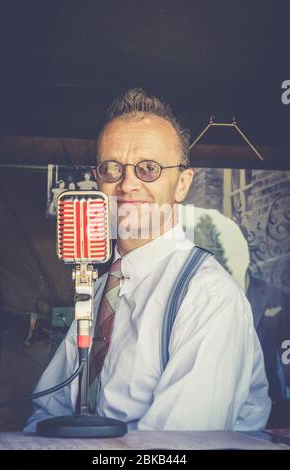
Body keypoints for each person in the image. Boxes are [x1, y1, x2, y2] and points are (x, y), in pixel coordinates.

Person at [25, 88, 271, 432]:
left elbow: (177, 447)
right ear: (98, 180)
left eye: (149, 168)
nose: (127, 184)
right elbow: (47, 413)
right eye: (111, 168)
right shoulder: (99, 289)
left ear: (182, 184)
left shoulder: (208, 297)